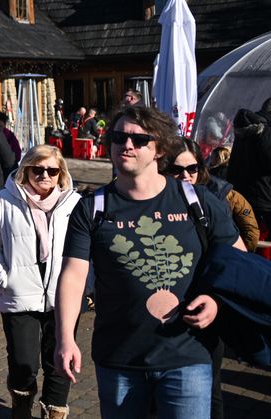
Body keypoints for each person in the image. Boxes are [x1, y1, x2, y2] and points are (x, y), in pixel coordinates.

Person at [55, 106, 244, 419]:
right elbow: (73, 277)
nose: (126, 145)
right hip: (119, 359)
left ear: (160, 149)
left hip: (188, 354)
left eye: (139, 139)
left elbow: (237, 260)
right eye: (119, 137)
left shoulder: (196, 201)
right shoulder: (92, 208)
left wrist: (216, 301)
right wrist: (65, 339)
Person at [0, 145, 79, 419]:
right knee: (24, 363)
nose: (45, 175)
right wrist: (3, 278)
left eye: (52, 170)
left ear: (61, 174)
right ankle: (21, 405)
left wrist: (85, 285)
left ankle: (54, 412)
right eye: (38, 169)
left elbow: (88, 249)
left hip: (62, 295)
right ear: (26, 169)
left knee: (59, 361)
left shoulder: (74, 204)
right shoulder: (3, 201)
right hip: (19, 294)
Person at [165, 136, 260, 419]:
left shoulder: (218, 194)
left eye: (192, 169)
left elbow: (248, 230)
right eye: (177, 170)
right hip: (165, 306)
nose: (185, 176)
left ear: (201, 168)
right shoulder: (156, 200)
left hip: (208, 301)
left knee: (210, 384)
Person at [226, 104, 271, 249]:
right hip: (264, 199)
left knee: (247, 237)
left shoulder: (246, 127)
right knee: (260, 242)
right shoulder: (264, 131)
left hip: (243, 194)